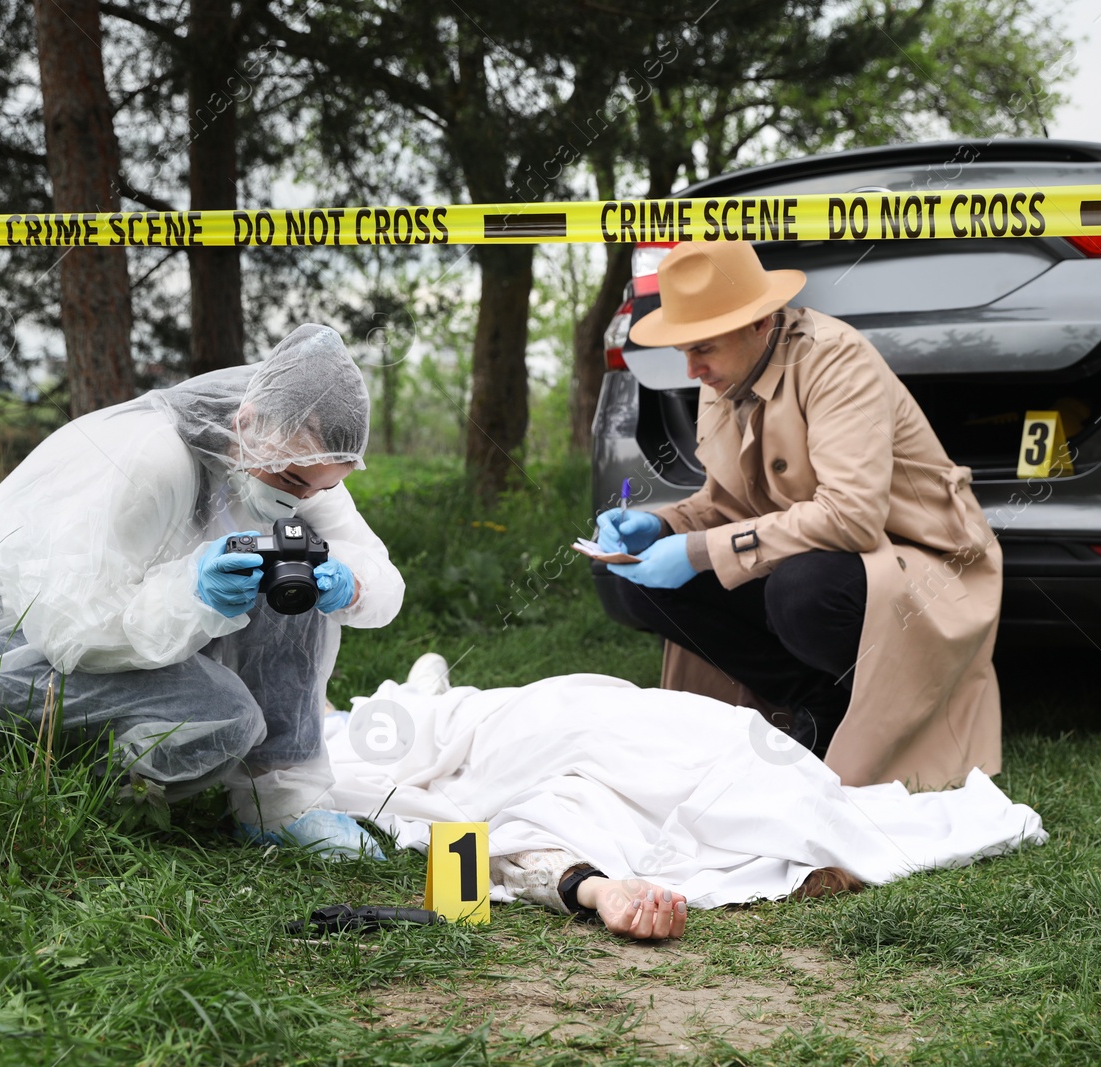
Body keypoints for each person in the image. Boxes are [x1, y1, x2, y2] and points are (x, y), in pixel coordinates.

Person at [0, 323, 404, 857]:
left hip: (118, 622)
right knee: (224, 716)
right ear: (248, 422)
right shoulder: (154, 461)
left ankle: (277, 803)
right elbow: (71, 631)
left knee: (302, 572)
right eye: (290, 482)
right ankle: (78, 789)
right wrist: (194, 596)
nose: (303, 499)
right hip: (4, 636)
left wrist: (350, 585)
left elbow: (377, 569)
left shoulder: (298, 462)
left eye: (323, 487)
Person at [597, 241, 1003, 790]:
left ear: (760, 322)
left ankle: (856, 710)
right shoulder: (725, 371)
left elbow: (853, 517)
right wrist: (663, 525)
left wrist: (697, 551)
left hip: (915, 562)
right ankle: (809, 702)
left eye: (703, 349)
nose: (691, 370)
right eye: (684, 351)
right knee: (624, 573)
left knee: (801, 589)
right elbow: (727, 504)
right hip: (809, 553)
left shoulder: (835, 358)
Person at [298, 652, 1046, 941]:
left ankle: (420, 697)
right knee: (400, 742)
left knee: (389, 768)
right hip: (566, 714)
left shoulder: (601, 817)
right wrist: (599, 889)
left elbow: (503, 840)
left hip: (551, 725)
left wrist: (597, 891)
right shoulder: (740, 763)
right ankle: (418, 698)